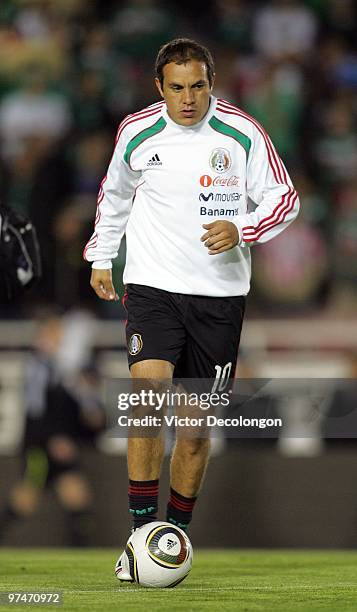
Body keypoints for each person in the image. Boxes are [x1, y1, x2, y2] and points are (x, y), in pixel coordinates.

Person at [84, 38, 299, 581]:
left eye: (197, 86)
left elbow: (285, 198)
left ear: (212, 83)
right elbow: (114, 196)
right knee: (147, 400)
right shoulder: (137, 131)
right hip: (152, 286)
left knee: (196, 430)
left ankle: (173, 537)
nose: (187, 98)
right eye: (176, 88)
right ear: (159, 87)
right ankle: (139, 538)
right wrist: (101, 255)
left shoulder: (242, 132)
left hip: (219, 297)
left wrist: (243, 228)